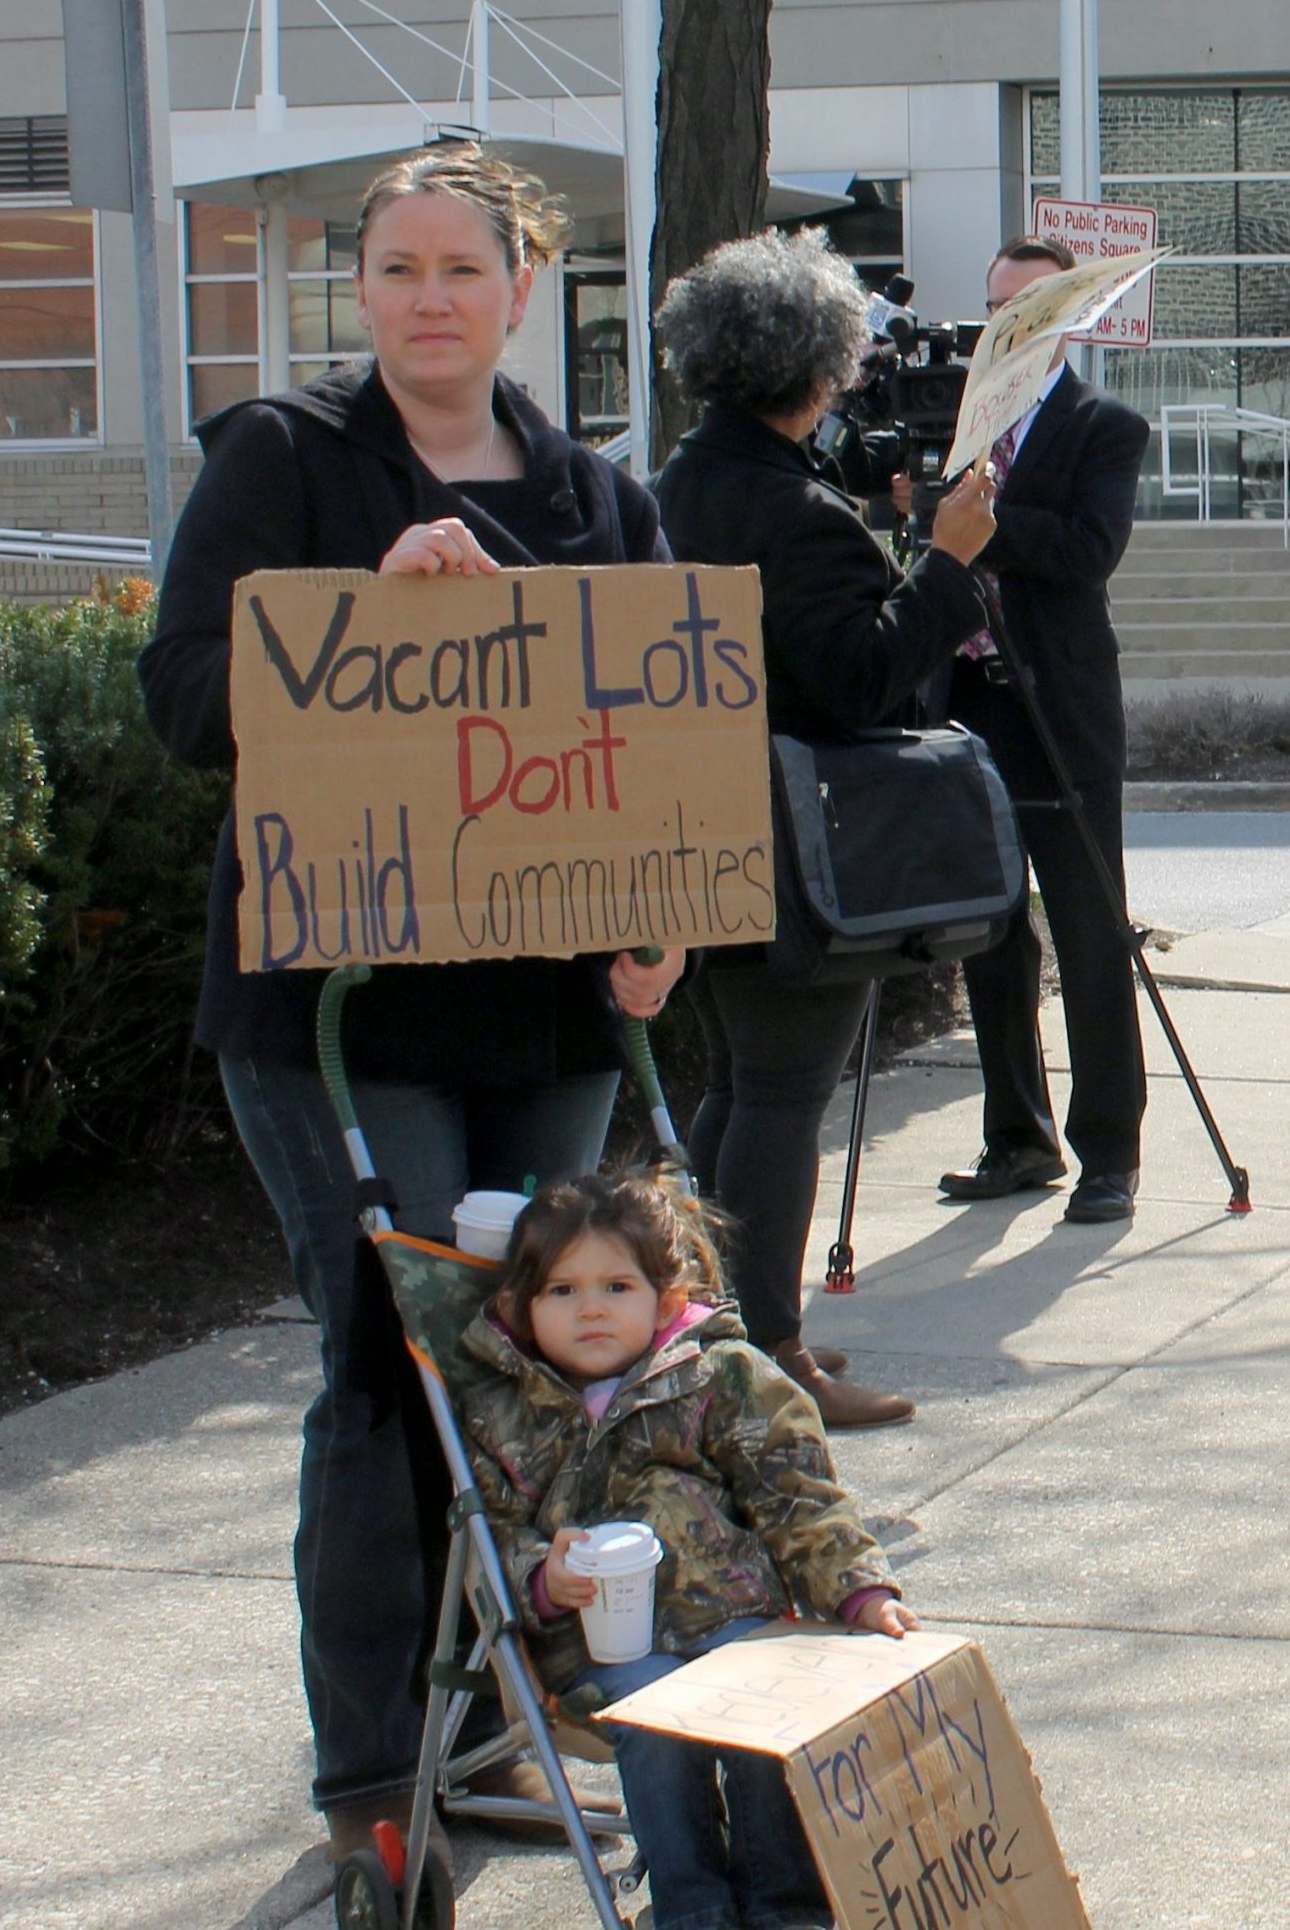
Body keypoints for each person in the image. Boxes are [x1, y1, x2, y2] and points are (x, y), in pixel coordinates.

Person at [136, 147, 685, 1856]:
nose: (429, 296)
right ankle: (376, 1774)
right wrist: (360, 617)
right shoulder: (285, 462)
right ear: (358, 289)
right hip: (342, 1004)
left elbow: (661, 736)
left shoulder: (599, 495)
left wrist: (661, 921)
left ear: (523, 287)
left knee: (538, 1365)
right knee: (390, 1368)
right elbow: (184, 703)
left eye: (464, 267)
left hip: (545, 1011)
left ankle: (492, 1724)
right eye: (397, 269)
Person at [654, 228, 1000, 1429]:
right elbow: (865, 682)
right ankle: (764, 1355)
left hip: (702, 830)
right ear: (820, 367)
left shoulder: (679, 484)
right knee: (782, 1095)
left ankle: (706, 1333)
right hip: (795, 853)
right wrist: (947, 566)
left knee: (740, 1089)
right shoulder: (791, 512)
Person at [465, 1169, 915, 1930]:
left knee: (764, 1716)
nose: (592, 1311)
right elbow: (495, 1535)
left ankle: (785, 1904)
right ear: (522, 1307)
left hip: (734, 1613)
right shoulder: (507, 1410)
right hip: (606, 1644)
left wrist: (858, 1589)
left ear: (667, 1298)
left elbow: (797, 1493)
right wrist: (543, 1577)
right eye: (562, 1293)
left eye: (616, 1286)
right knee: (659, 1726)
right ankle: (691, 1906)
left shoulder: (719, 1376)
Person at [937, 235, 1155, 1226]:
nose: (1006, 323)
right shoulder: (953, 428)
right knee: (989, 934)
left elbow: (1086, 550)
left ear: (1067, 316)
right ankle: (1015, 1140)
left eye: (1026, 305)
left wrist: (979, 526)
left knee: (1088, 928)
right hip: (969, 704)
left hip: (1061, 708)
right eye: (995, 306)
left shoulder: (1104, 425)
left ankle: (1108, 1150)